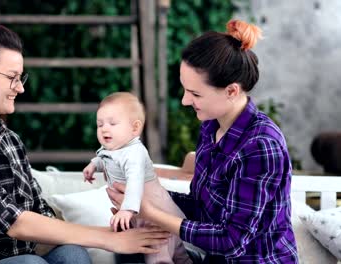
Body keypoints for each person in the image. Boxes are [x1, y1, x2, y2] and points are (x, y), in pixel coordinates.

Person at [0, 24, 170, 264]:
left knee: (72, 255)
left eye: (21, 78)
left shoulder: (10, 141)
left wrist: (119, 229)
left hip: (22, 258)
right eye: (11, 77)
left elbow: (39, 211)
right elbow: (14, 222)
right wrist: (107, 239)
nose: (19, 88)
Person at [108, 19, 299, 263]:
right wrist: (142, 198)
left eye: (196, 93)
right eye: (185, 89)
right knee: (131, 247)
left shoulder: (261, 146)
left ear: (231, 91)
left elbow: (231, 241)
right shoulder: (211, 127)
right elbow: (203, 209)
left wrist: (153, 213)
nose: (185, 101)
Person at [83, 92, 191, 264]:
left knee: (158, 257)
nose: (104, 128)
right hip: (141, 219)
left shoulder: (135, 153)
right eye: (100, 124)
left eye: (112, 123)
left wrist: (127, 210)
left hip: (158, 221)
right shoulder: (114, 149)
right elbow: (105, 158)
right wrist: (94, 165)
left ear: (134, 128)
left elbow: (134, 182)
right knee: (180, 258)